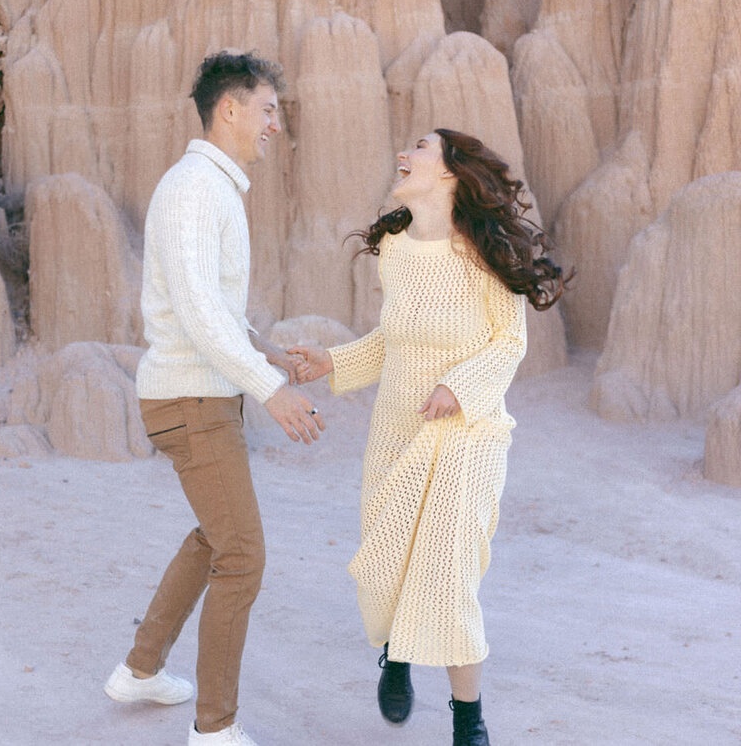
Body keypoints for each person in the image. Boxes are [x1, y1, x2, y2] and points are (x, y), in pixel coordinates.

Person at [289, 129, 569, 746]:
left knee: (447, 573)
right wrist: (331, 363)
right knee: (387, 562)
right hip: (396, 426)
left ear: (448, 173)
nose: (402, 153)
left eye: (418, 147)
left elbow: (509, 342)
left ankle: (468, 718)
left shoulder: (483, 253)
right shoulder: (394, 247)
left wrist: (461, 388)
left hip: (468, 437)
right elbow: (394, 341)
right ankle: (396, 656)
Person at [103, 51, 326, 746]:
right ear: (228, 109)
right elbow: (197, 310)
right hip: (192, 401)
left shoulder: (209, 187)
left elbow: (207, 307)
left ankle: (139, 673)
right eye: (267, 110)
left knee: (214, 538)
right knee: (243, 554)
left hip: (201, 394)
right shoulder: (198, 187)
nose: (275, 126)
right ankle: (215, 727)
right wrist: (273, 390)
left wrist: (259, 348)